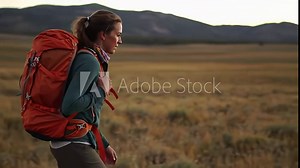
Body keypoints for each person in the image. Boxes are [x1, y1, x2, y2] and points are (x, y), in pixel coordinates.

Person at [49, 10, 122, 168]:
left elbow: (85, 114)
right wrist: (101, 92)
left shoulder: (89, 58)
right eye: (117, 34)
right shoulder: (89, 62)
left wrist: (104, 144)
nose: (120, 41)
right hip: (73, 143)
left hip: (71, 140)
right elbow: (70, 105)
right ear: (103, 35)